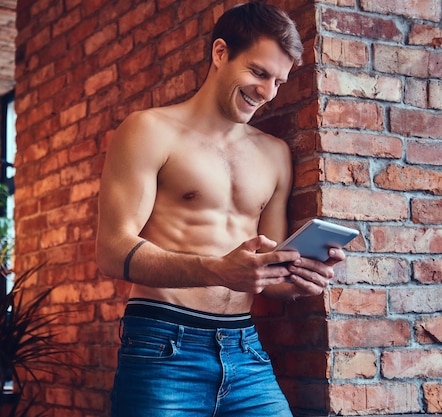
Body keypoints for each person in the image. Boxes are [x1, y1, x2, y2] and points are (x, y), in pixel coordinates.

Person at [96, 1, 346, 416]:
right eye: (259, 73)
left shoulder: (275, 154)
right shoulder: (149, 130)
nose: (267, 93)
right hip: (162, 343)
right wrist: (216, 269)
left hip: (244, 348)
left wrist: (300, 277)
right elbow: (111, 250)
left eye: (279, 82)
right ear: (220, 53)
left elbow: (264, 269)